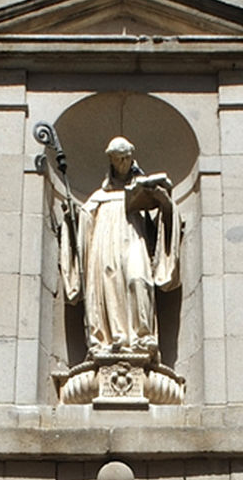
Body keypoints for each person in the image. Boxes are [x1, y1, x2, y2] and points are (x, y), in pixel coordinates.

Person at [59, 136, 181, 356]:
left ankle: (142, 338)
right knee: (108, 286)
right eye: (118, 158)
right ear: (111, 161)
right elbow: (84, 223)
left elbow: (161, 229)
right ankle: (109, 340)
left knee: (138, 279)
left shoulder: (141, 192)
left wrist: (164, 203)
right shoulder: (98, 197)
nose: (123, 162)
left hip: (135, 240)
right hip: (104, 246)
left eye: (126, 157)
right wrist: (73, 216)